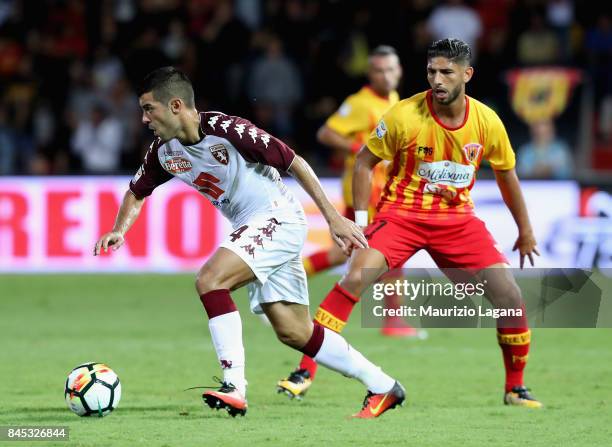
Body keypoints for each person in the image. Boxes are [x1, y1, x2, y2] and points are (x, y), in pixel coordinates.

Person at [93, 67, 405, 418]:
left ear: (176, 105)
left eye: (149, 109)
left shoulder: (229, 131)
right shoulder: (163, 153)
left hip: (277, 217)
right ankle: (382, 385)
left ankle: (234, 386)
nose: (144, 118)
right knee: (293, 330)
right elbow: (137, 192)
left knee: (211, 279)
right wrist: (120, 229)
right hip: (254, 226)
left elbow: (295, 162)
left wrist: (334, 218)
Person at [305, 38, 543, 408]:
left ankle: (515, 388)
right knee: (355, 276)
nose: (437, 79)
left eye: (446, 71)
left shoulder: (487, 121)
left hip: (457, 222)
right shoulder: (403, 115)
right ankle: (305, 370)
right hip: (402, 216)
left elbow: (506, 175)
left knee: (510, 296)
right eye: (431, 70)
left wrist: (525, 231)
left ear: (467, 74)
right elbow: (365, 162)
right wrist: (363, 224)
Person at [277, 45, 420, 401]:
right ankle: (308, 362)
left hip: (389, 198)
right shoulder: (360, 102)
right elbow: (326, 133)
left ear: (398, 71)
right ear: (369, 74)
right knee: (357, 271)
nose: (385, 76)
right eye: (378, 71)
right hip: (366, 198)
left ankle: (289, 280)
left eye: (390, 69)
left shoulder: (398, 102)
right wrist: (359, 145)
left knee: (361, 264)